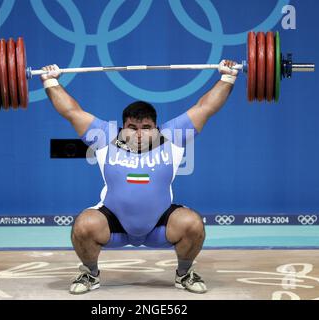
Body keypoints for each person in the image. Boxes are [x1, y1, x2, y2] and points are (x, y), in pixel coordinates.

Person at [41, 60, 239, 294]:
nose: (138, 133)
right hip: (114, 224)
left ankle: (184, 273)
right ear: (122, 127)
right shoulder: (105, 136)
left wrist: (227, 77)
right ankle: (90, 274)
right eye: (132, 127)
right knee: (84, 226)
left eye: (145, 127)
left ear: (156, 127)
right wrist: (50, 80)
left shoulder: (172, 136)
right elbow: (71, 111)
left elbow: (205, 107)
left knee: (193, 224)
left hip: (161, 225)